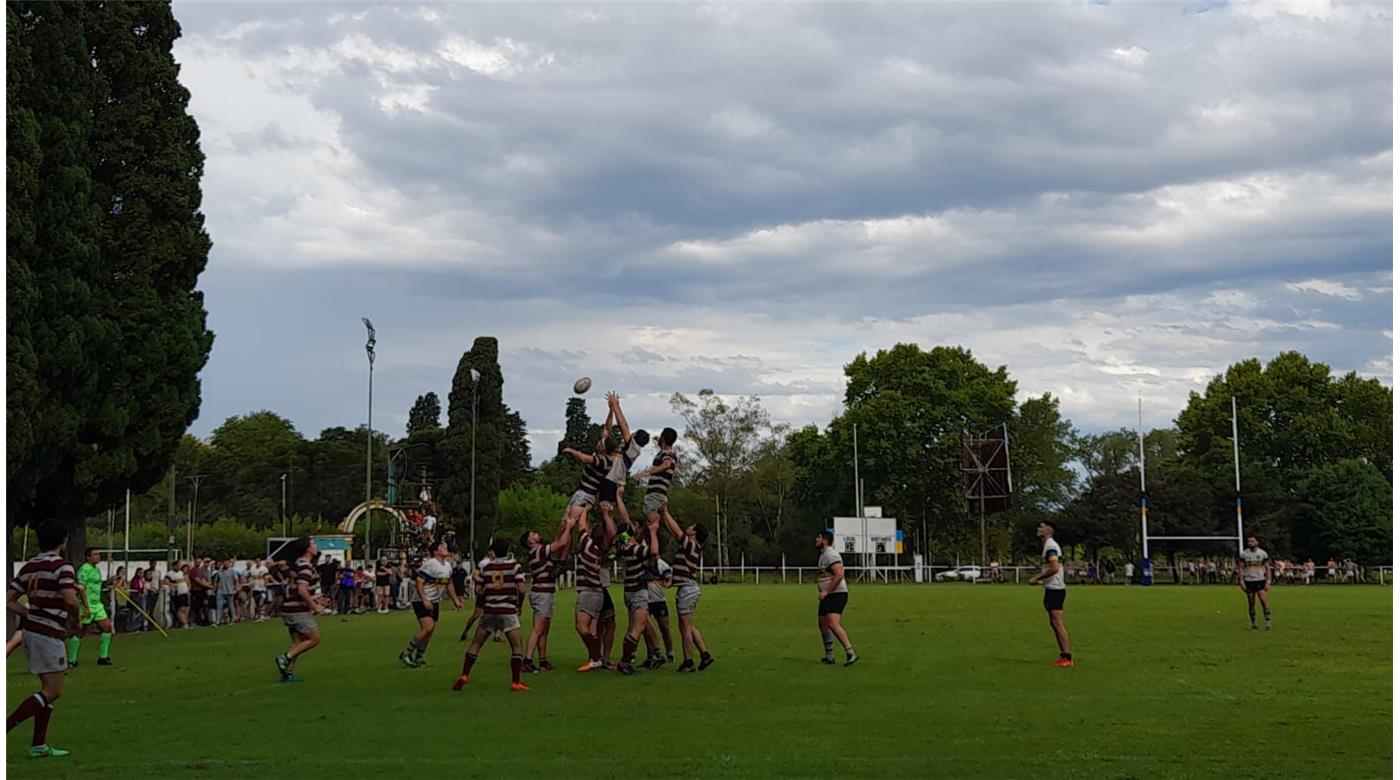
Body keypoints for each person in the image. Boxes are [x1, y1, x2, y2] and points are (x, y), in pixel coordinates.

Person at [6, 522, 80, 758]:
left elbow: (9, 601)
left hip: (31, 631)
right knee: (53, 690)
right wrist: (76, 620)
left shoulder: (30, 566)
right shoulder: (62, 567)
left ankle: (39, 745)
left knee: (46, 688)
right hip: (49, 633)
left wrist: (32, 613)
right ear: (64, 540)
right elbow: (70, 599)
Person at [454, 538, 530, 692]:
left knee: (476, 644)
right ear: (508, 550)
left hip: (489, 610)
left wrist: (490, 591)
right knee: (516, 646)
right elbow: (522, 589)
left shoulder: (487, 567)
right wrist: (519, 604)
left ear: (493, 551)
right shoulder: (515, 567)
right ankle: (516, 682)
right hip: (508, 610)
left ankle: (464, 674)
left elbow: (478, 591)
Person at [658, 510, 714, 672]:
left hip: (687, 590)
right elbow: (674, 532)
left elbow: (677, 532)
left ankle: (688, 661)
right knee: (688, 625)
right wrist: (663, 517)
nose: (688, 528)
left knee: (685, 627)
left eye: (691, 527)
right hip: (689, 588)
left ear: (695, 533)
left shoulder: (691, 544)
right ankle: (704, 654)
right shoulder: (692, 547)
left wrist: (666, 512)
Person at [521, 515, 576, 673]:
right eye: (533, 534)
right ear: (530, 541)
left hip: (544, 593)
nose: (537, 534)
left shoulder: (540, 553)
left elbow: (562, 547)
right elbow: (561, 543)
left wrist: (564, 528)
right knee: (538, 629)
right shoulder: (538, 551)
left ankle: (543, 660)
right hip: (542, 594)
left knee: (544, 629)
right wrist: (568, 527)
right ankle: (528, 660)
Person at [401, 540, 462, 668]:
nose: (445, 548)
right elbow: (419, 581)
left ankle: (419, 657)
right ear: (435, 551)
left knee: (430, 630)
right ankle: (406, 653)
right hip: (422, 600)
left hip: (434, 601)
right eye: (442, 546)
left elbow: (448, 584)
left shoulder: (447, 566)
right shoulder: (431, 564)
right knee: (427, 627)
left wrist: (455, 600)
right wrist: (425, 599)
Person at [573, 501, 616, 672]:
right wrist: (606, 515)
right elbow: (611, 532)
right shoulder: (599, 549)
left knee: (581, 626)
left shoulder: (587, 545)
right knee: (592, 628)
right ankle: (595, 658)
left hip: (588, 591)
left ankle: (596, 657)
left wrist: (585, 510)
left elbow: (581, 526)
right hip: (598, 591)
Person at [275, 537, 326, 682]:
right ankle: (284, 658)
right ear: (308, 549)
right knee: (314, 639)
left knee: (298, 643)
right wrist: (314, 606)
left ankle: (287, 674)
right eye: (313, 544)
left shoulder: (297, 564)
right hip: (297, 609)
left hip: (288, 608)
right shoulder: (305, 566)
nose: (316, 546)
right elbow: (302, 590)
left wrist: (317, 599)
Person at [1028, 522, 1072, 667]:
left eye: (1041, 527)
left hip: (1055, 589)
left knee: (1057, 623)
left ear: (1048, 531)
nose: (1038, 529)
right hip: (1052, 587)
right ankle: (1064, 656)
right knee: (1054, 623)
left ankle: (1066, 657)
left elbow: (1054, 568)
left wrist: (1037, 578)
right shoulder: (1049, 546)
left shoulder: (1051, 546)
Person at [812, 531, 857, 667]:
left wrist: (826, 591)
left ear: (825, 540)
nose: (816, 539)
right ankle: (829, 655)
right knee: (822, 623)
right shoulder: (823, 555)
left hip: (836, 594)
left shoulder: (831, 554)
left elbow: (839, 575)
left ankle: (850, 652)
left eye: (818, 537)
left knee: (832, 623)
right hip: (828, 595)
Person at [69, 547, 115, 667]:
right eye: (94, 554)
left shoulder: (97, 570)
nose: (98, 556)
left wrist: (109, 582)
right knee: (81, 631)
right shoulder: (84, 569)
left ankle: (103, 657)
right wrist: (86, 606)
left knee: (107, 627)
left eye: (98, 554)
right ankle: (71, 659)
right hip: (87, 605)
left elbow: (97, 586)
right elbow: (81, 589)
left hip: (97, 604)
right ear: (88, 557)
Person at [1238, 536, 1273, 630]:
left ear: (1257, 542)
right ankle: (1254, 622)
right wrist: (1241, 581)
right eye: (1249, 541)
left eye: (1252, 541)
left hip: (1260, 579)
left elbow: (1267, 568)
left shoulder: (1262, 553)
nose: (1250, 543)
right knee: (1251, 602)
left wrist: (1268, 581)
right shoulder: (1244, 554)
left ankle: (1268, 622)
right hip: (1249, 580)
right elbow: (1241, 568)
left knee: (1263, 600)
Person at [646, 557, 675, 666]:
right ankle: (651, 655)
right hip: (645, 600)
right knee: (646, 628)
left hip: (658, 600)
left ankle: (670, 653)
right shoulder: (643, 562)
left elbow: (669, 579)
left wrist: (666, 583)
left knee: (665, 628)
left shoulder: (662, 564)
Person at [214, 560, 241, 626]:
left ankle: (233, 619)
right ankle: (217, 621)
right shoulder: (219, 571)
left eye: (227, 563)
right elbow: (216, 581)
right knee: (219, 606)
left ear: (229, 563)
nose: (225, 564)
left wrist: (237, 588)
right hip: (220, 591)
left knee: (231, 606)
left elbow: (236, 580)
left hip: (229, 591)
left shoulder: (232, 571)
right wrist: (214, 590)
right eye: (224, 563)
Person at [165, 563, 191, 629]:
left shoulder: (181, 573)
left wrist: (188, 588)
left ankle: (183, 622)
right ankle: (185, 624)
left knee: (186, 608)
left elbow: (186, 581)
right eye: (177, 565)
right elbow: (166, 582)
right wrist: (173, 585)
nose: (178, 567)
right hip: (178, 593)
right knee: (181, 609)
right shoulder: (169, 574)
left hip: (185, 592)